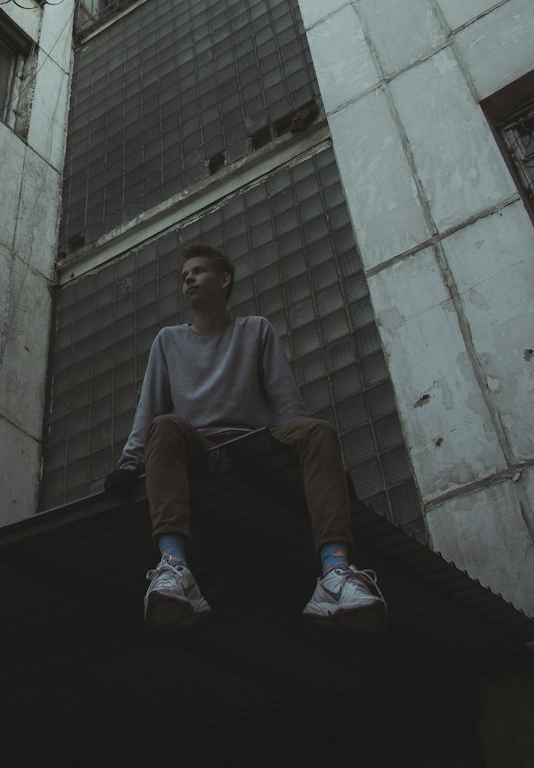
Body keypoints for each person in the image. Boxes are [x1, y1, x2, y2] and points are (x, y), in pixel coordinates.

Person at [103, 242, 386, 632]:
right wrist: (128, 463)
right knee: (164, 425)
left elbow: (287, 404)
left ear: (224, 280)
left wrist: (321, 459)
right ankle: (173, 569)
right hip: (196, 443)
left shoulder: (255, 330)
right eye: (184, 276)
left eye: (198, 271)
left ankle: (335, 574)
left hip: (253, 438)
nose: (188, 279)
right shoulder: (168, 340)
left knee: (318, 431)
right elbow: (148, 409)